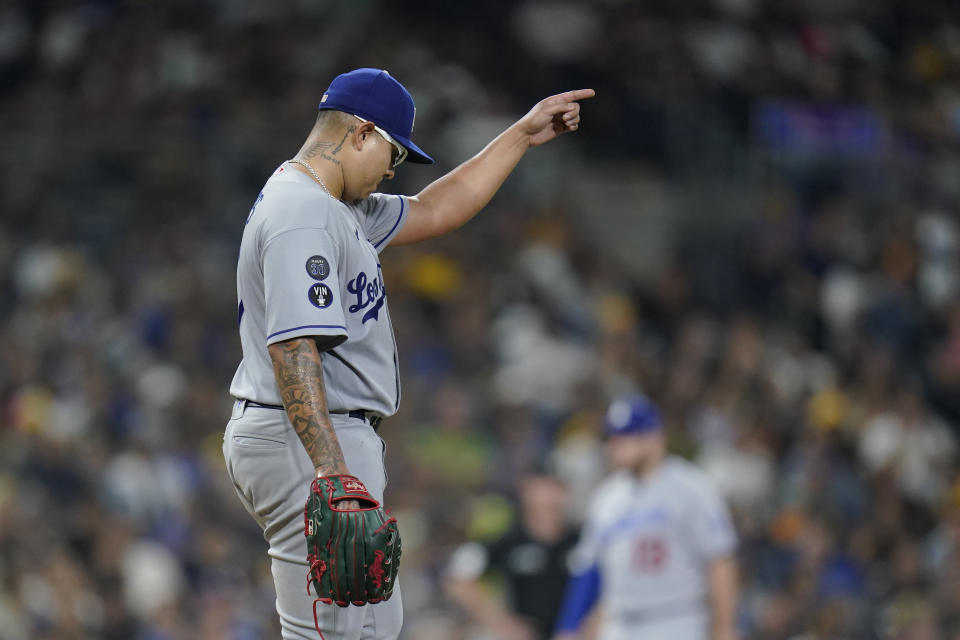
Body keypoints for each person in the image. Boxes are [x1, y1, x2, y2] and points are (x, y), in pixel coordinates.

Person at [221, 67, 594, 640]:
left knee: (376, 628)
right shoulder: (303, 212)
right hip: (305, 438)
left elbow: (437, 208)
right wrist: (331, 473)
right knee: (333, 635)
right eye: (392, 153)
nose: (393, 170)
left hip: (324, 434)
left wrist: (520, 134)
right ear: (361, 133)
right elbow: (294, 349)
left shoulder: (336, 205)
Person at [553, 395, 739, 640]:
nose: (614, 446)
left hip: (677, 620)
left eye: (625, 437)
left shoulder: (692, 488)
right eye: (612, 438)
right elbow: (590, 568)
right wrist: (570, 627)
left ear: (653, 438)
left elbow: (720, 562)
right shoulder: (607, 497)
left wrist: (724, 630)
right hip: (620, 624)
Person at [445, 468, 580, 640]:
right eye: (541, 488)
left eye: (555, 488)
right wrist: (503, 623)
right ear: (526, 492)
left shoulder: (581, 540)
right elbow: (458, 578)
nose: (548, 497)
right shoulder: (508, 542)